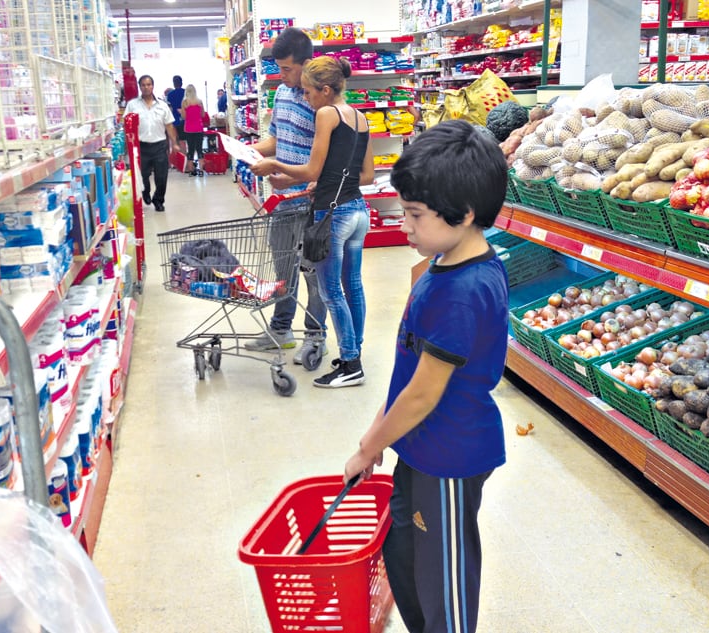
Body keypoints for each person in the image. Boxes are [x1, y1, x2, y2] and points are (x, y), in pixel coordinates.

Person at [342, 120, 510, 633]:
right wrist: (377, 435)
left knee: (444, 579)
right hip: (420, 446)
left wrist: (369, 446)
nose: (405, 225)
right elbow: (407, 373)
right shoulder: (441, 265)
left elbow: (422, 394)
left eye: (415, 214)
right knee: (405, 556)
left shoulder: (464, 291)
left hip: (451, 454)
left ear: (463, 213)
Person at [252, 56, 374, 388]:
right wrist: (326, 182)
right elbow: (366, 175)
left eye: (308, 92)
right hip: (358, 211)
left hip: (333, 215)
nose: (305, 99)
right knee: (353, 286)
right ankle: (354, 353)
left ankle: (351, 364)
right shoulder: (360, 117)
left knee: (330, 290)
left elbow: (311, 169)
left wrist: (275, 166)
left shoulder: (326, 114)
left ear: (325, 90)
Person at [244, 27, 327, 365]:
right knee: (282, 269)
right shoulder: (280, 93)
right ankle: (281, 329)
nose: (282, 75)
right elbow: (276, 139)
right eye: (279, 68)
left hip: (311, 200)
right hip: (282, 200)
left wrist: (293, 178)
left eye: (287, 68)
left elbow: (325, 157)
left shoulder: (319, 101)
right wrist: (248, 150)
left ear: (306, 64)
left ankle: (315, 336)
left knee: (313, 272)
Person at [125, 75, 180, 212]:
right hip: (141, 146)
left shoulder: (162, 105)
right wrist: (128, 144)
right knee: (143, 175)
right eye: (143, 85)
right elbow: (127, 125)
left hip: (159, 145)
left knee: (161, 176)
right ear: (140, 87)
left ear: (153, 86)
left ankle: (158, 200)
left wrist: (174, 143)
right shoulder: (132, 105)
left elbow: (169, 126)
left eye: (149, 84)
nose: (146, 87)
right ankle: (145, 191)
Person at [181, 84, 206, 176]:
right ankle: (201, 170)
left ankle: (191, 170)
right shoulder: (199, 102)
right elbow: (203, 115)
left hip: (189, 128)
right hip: (199, 127)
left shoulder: (185, 102)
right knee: (199, 149)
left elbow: (184, 117)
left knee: (190, 149)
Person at [166, 75, 185, 145]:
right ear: (181, 83)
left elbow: (169, 108)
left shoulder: (170, 95)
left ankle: (179, 151)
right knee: (186, 140)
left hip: (175, 119)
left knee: (176, 140)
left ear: (174, 83)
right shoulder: (186, 93)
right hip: (186, 119)